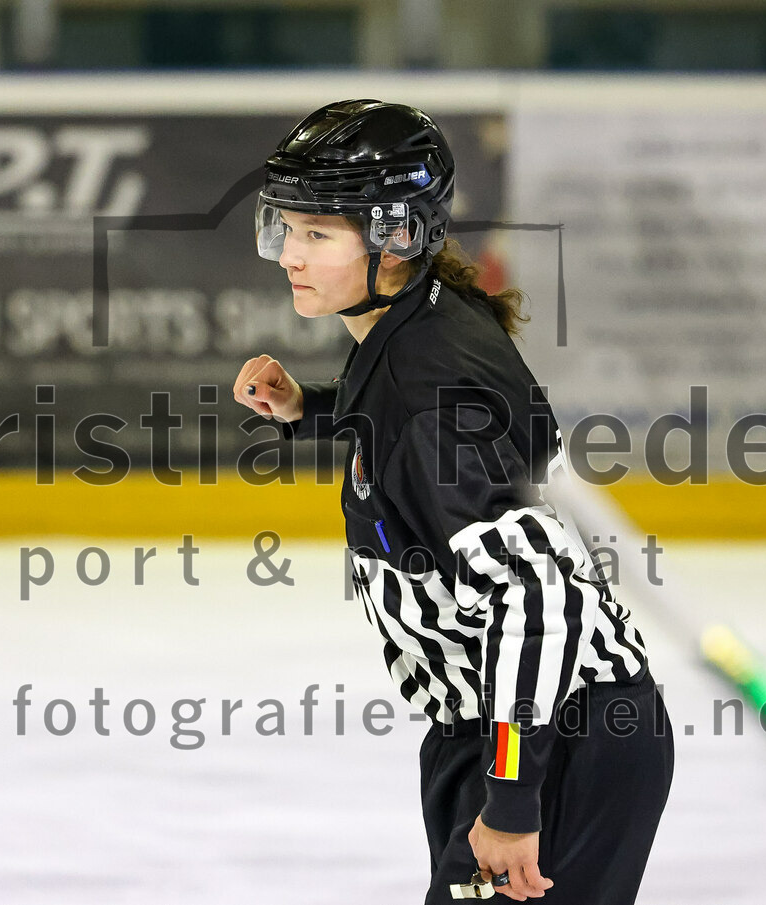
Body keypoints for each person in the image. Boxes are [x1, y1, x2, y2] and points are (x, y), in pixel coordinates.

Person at [233, 99, 674, 905]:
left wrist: (511, 800)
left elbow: (536, 596)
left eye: (317, 235)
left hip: (552, 743)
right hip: (511, 733)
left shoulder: (426, 388)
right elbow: (428, 428)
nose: (289, 256)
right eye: (285, 229)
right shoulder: (417, 319)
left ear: (399, 235)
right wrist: (315, 408)